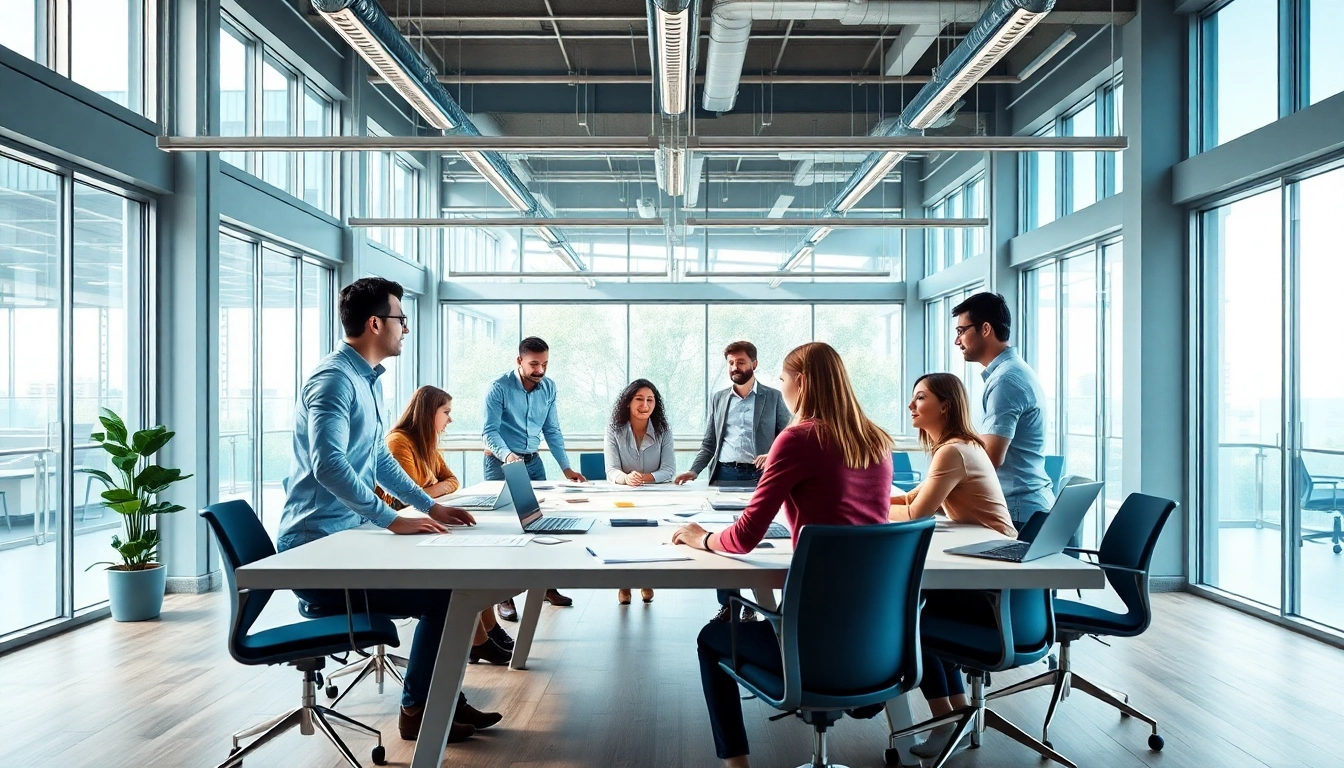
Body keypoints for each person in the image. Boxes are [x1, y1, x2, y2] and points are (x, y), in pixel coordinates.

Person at [276, 277, 500, 745]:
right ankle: (420, 710)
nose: (406, 328)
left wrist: (430, 505)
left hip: (349, 540)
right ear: (376, 324)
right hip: (318, 552)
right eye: (401, 319)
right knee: (447, 597)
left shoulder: (367, 381)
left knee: (451, 577)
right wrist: (392, 519)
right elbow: (328, 465)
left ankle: (439, 700)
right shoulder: (334, 381)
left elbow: (377, 459)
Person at [671, 342, 894, 768]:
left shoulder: (797, 438)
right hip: (877, 641)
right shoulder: (877, 440)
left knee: (711, 638)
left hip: (813, 641)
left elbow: (745, 536)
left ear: (802, 382)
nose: (782, 386)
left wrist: (702, 538)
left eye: (784, 379)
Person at [888, 372, 1016, 759]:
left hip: (991, 584)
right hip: (991, 567)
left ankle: (945, 718)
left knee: (908, 614)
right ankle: (956, 713)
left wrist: (859, 509)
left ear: (945, 405)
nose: (911, 405)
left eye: (920, 397)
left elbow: (917, 513)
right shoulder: (960, 446)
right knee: (919, 605)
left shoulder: (953, 451)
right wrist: (865, 498)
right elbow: (913, 498)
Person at [374, 384, 515, 665]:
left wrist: (429, 492)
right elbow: (405, 496)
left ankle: (487, 632)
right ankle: (479, 641)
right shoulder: (398, 442)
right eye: (446, 412)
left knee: (476, 557)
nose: (450, 419)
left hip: (421, 520)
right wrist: (430, 494)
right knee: (463, 565)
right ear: (429, 413)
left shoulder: (426, 442)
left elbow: (452, 481)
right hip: (399, 531)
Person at [673, 340, 792, 622]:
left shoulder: (773, 397)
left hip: (760, 476)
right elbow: (709, 442)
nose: (734, 367)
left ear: (754, 364)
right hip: (724, 475)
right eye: (730, 363)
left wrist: (771, 454)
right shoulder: (719, 398)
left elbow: (787, 435)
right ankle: (730, 604)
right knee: (722, 533)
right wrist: (694, 470)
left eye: (740, 362)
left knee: (757, 535)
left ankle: (757, 602)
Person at [482, 335, 585, 620]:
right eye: (534, 364)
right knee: (504, 529)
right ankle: (502, 596)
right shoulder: (498, 388)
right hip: (501, 463)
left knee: (541, 525)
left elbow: (552, 430)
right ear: (519, 361)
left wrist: (566, 468)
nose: (540, 370)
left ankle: (545, 586)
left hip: (533, 462)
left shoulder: (549, 387)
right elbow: (489, 432)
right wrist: (507, 456)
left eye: (545, 364)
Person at [952, 292, 1055, 527]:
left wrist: (943, 483)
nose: (957, 341)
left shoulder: (1006, 380)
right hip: (1024, 507)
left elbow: (990, 457)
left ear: (985, 329)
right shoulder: (1011, 372)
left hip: (1017, 511)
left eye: (961, 331)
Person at [603, 378, 676, 605]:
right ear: (628, 401)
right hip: (623, 496)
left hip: (654, 495)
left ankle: (646, 580)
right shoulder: (614, 429)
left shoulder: (663, 431)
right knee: (624, 538)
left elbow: (669, 470)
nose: (645, 405)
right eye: (639, 399)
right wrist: (626, 478)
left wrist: (644, 478)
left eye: (650, 400)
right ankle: (624, 584)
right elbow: (611, 470)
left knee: (649, 538)